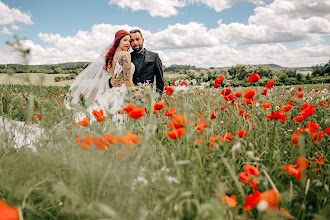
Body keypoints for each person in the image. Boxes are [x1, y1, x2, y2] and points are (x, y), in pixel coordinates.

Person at [65, 30, 135, 123]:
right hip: (122, 92)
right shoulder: (125, 55)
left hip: (113, 91)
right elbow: (127, 80)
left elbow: (115, 76)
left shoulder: (111, 57)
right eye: (125, 40)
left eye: (129, 41)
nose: (128, 43)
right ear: (118, 41)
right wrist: (136, 93)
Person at [109, 29, 164, 98]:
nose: (135, 43)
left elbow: (160, 82)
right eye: (132, 40)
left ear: (143, 40)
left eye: (137, 39)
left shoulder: (154, 56)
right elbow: (119, 75)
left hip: (147, 98)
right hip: (129, 97)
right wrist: (111, 82)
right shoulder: (126, 57)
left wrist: (157, 99)